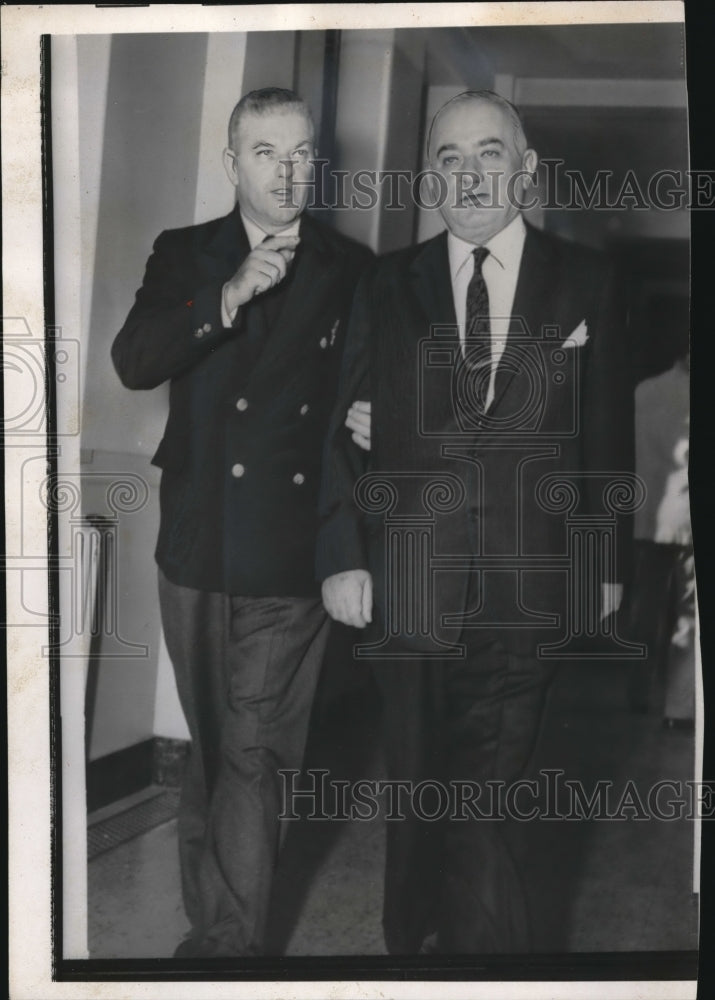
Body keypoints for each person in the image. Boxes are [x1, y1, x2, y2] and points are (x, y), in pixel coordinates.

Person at [318, 91, 633, 954]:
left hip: (527, 581)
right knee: (422, 784)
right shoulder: (385, 282)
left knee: (488, 792)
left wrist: (600, 569)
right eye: (449, 158)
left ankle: (479, 964)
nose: (467, 175)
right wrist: (343, 555)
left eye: (488, 154)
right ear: (430, 176)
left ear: (524, 170)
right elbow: (342, 427)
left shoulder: (585, 281)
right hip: (411, 579)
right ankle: (410, 940)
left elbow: (606, 435)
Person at [112, 88, 371, 958]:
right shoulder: (186, 255)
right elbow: (133, 361)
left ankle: (229, 953)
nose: (289, 170)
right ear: (233, 163)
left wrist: (344, 546)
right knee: (215, 749)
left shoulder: (350, 268)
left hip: (287, 551)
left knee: (258, 756)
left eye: (301, 153)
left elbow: (349, 415)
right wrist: (223, 298)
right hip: (194, 541)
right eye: (267, 152)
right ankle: (214, 926)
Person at [627, 350, 694, 726]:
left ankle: (638, 693)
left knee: (645, 611)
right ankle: (679, 709)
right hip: (687, 518)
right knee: (690, 613)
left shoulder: (643, 391)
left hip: (649, 517)